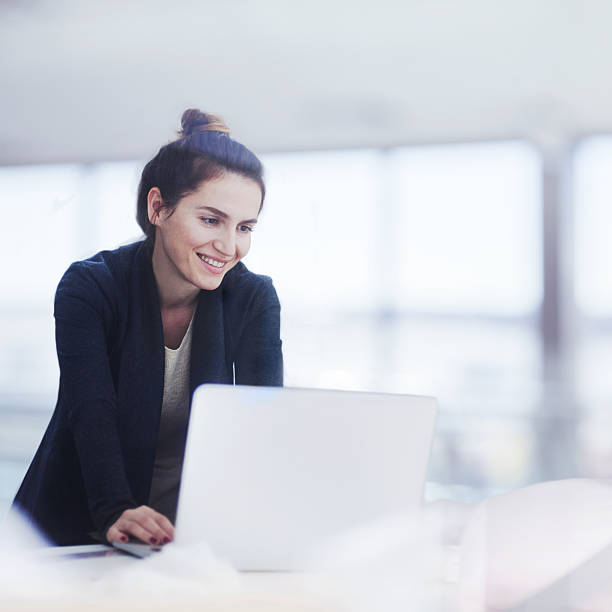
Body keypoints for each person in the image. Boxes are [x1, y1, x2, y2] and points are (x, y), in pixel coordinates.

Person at [12, 109, 283, 547]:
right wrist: (115, 509)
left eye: (245, 227)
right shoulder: (91, 286)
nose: (230, 246)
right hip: (77, 526)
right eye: (211, 220)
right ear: (158, 207)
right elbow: (91, 410)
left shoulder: (252, 297)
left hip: (184, 536)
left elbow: (264, 424)